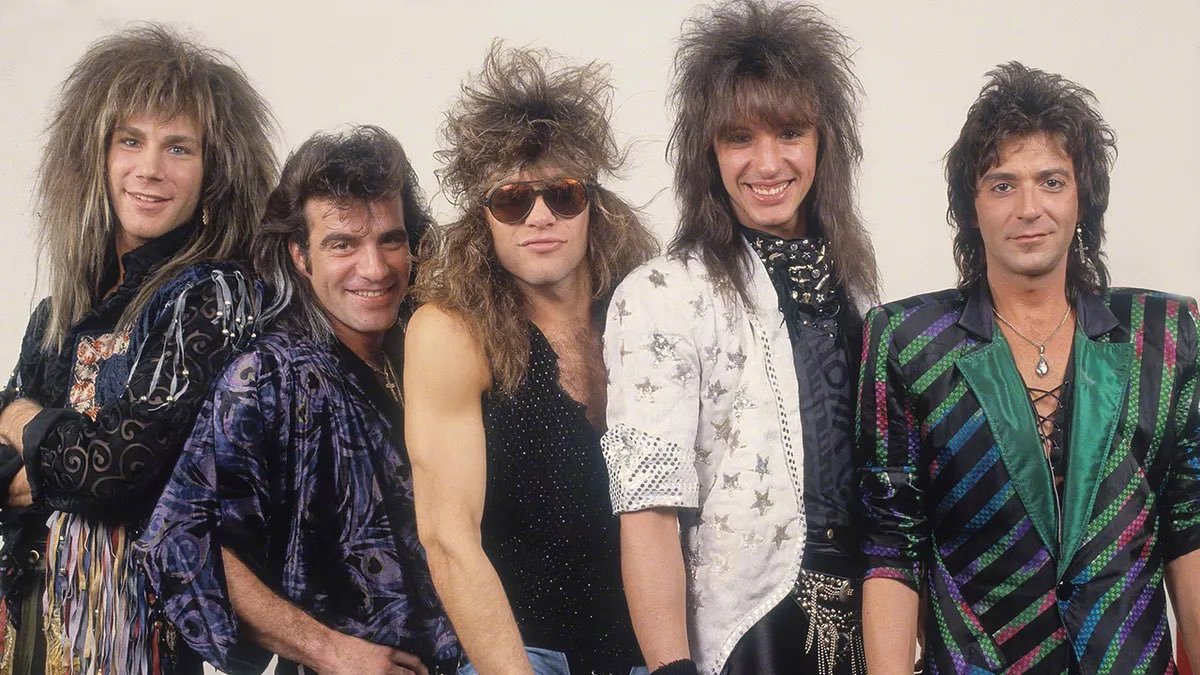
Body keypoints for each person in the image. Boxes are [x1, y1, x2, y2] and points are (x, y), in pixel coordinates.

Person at [858, 62, 1200, 674]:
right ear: (972, 207)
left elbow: (1190, 528)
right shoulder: (908, 342)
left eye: (1051, 181)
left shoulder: (1167, 335)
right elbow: (891, 547)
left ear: (1081, 197)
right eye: (1002, 185)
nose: (1028, 208)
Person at [600, 2, 879, 674]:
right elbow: (647, 512)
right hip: (745, 633)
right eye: (738, 137)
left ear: (824, 141)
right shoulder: (662, 294)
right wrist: (672, 668)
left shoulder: (858, 289)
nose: (768, 162)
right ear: (708, 152)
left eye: (790, 132)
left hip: (871, 619)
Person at [0, 24, 276, 674]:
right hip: (25, 610)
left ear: (215, 173)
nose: (150, 168)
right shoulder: (58, 311)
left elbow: (115, 470)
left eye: (178, 147)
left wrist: (22, 423)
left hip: (135, 633)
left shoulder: (213, 296)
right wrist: (53, 462)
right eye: (131, 140)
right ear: (95, 155)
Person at [136, 125, 459, 675]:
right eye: (342, 244)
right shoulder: (271, 373)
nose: (375, 268)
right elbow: (180, 536)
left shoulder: (423, 354)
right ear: (301, 257)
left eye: (390, 239)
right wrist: (329, 651)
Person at [403, 44, 659, 675]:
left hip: (652, 654)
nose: (540, 216)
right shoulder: (450, 331)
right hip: (524, 658)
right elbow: (447, 539)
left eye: (564, 195)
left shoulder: (645, 310)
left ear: (594, 204)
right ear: (483, 215)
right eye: (513, 200)